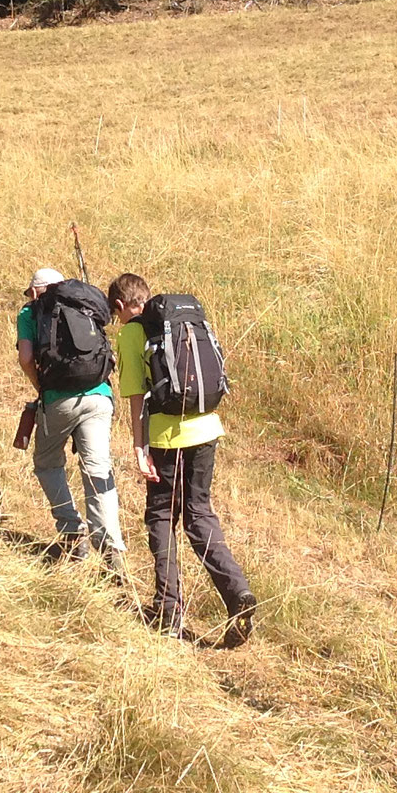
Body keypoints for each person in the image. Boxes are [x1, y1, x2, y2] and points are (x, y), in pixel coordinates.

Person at [109, 272, 254, 646]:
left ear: (123, 306)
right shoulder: (187, 322)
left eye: (116, 312)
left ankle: (168, 609)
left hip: (165, 436)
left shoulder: (131, 333)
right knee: (199, 513)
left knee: (160, 515)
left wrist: (139, 448)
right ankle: (237, 590)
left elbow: (136, 398)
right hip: (207, 430)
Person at [16, 266, 125, 573]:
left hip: (58, 398)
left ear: (37, 290)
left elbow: (26, 358)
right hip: (99, 396)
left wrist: (41, 387)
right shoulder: (85, 302)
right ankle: (110, 548)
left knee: (48, 462)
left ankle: (72, 533)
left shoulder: (30, 312)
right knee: (97, 469)